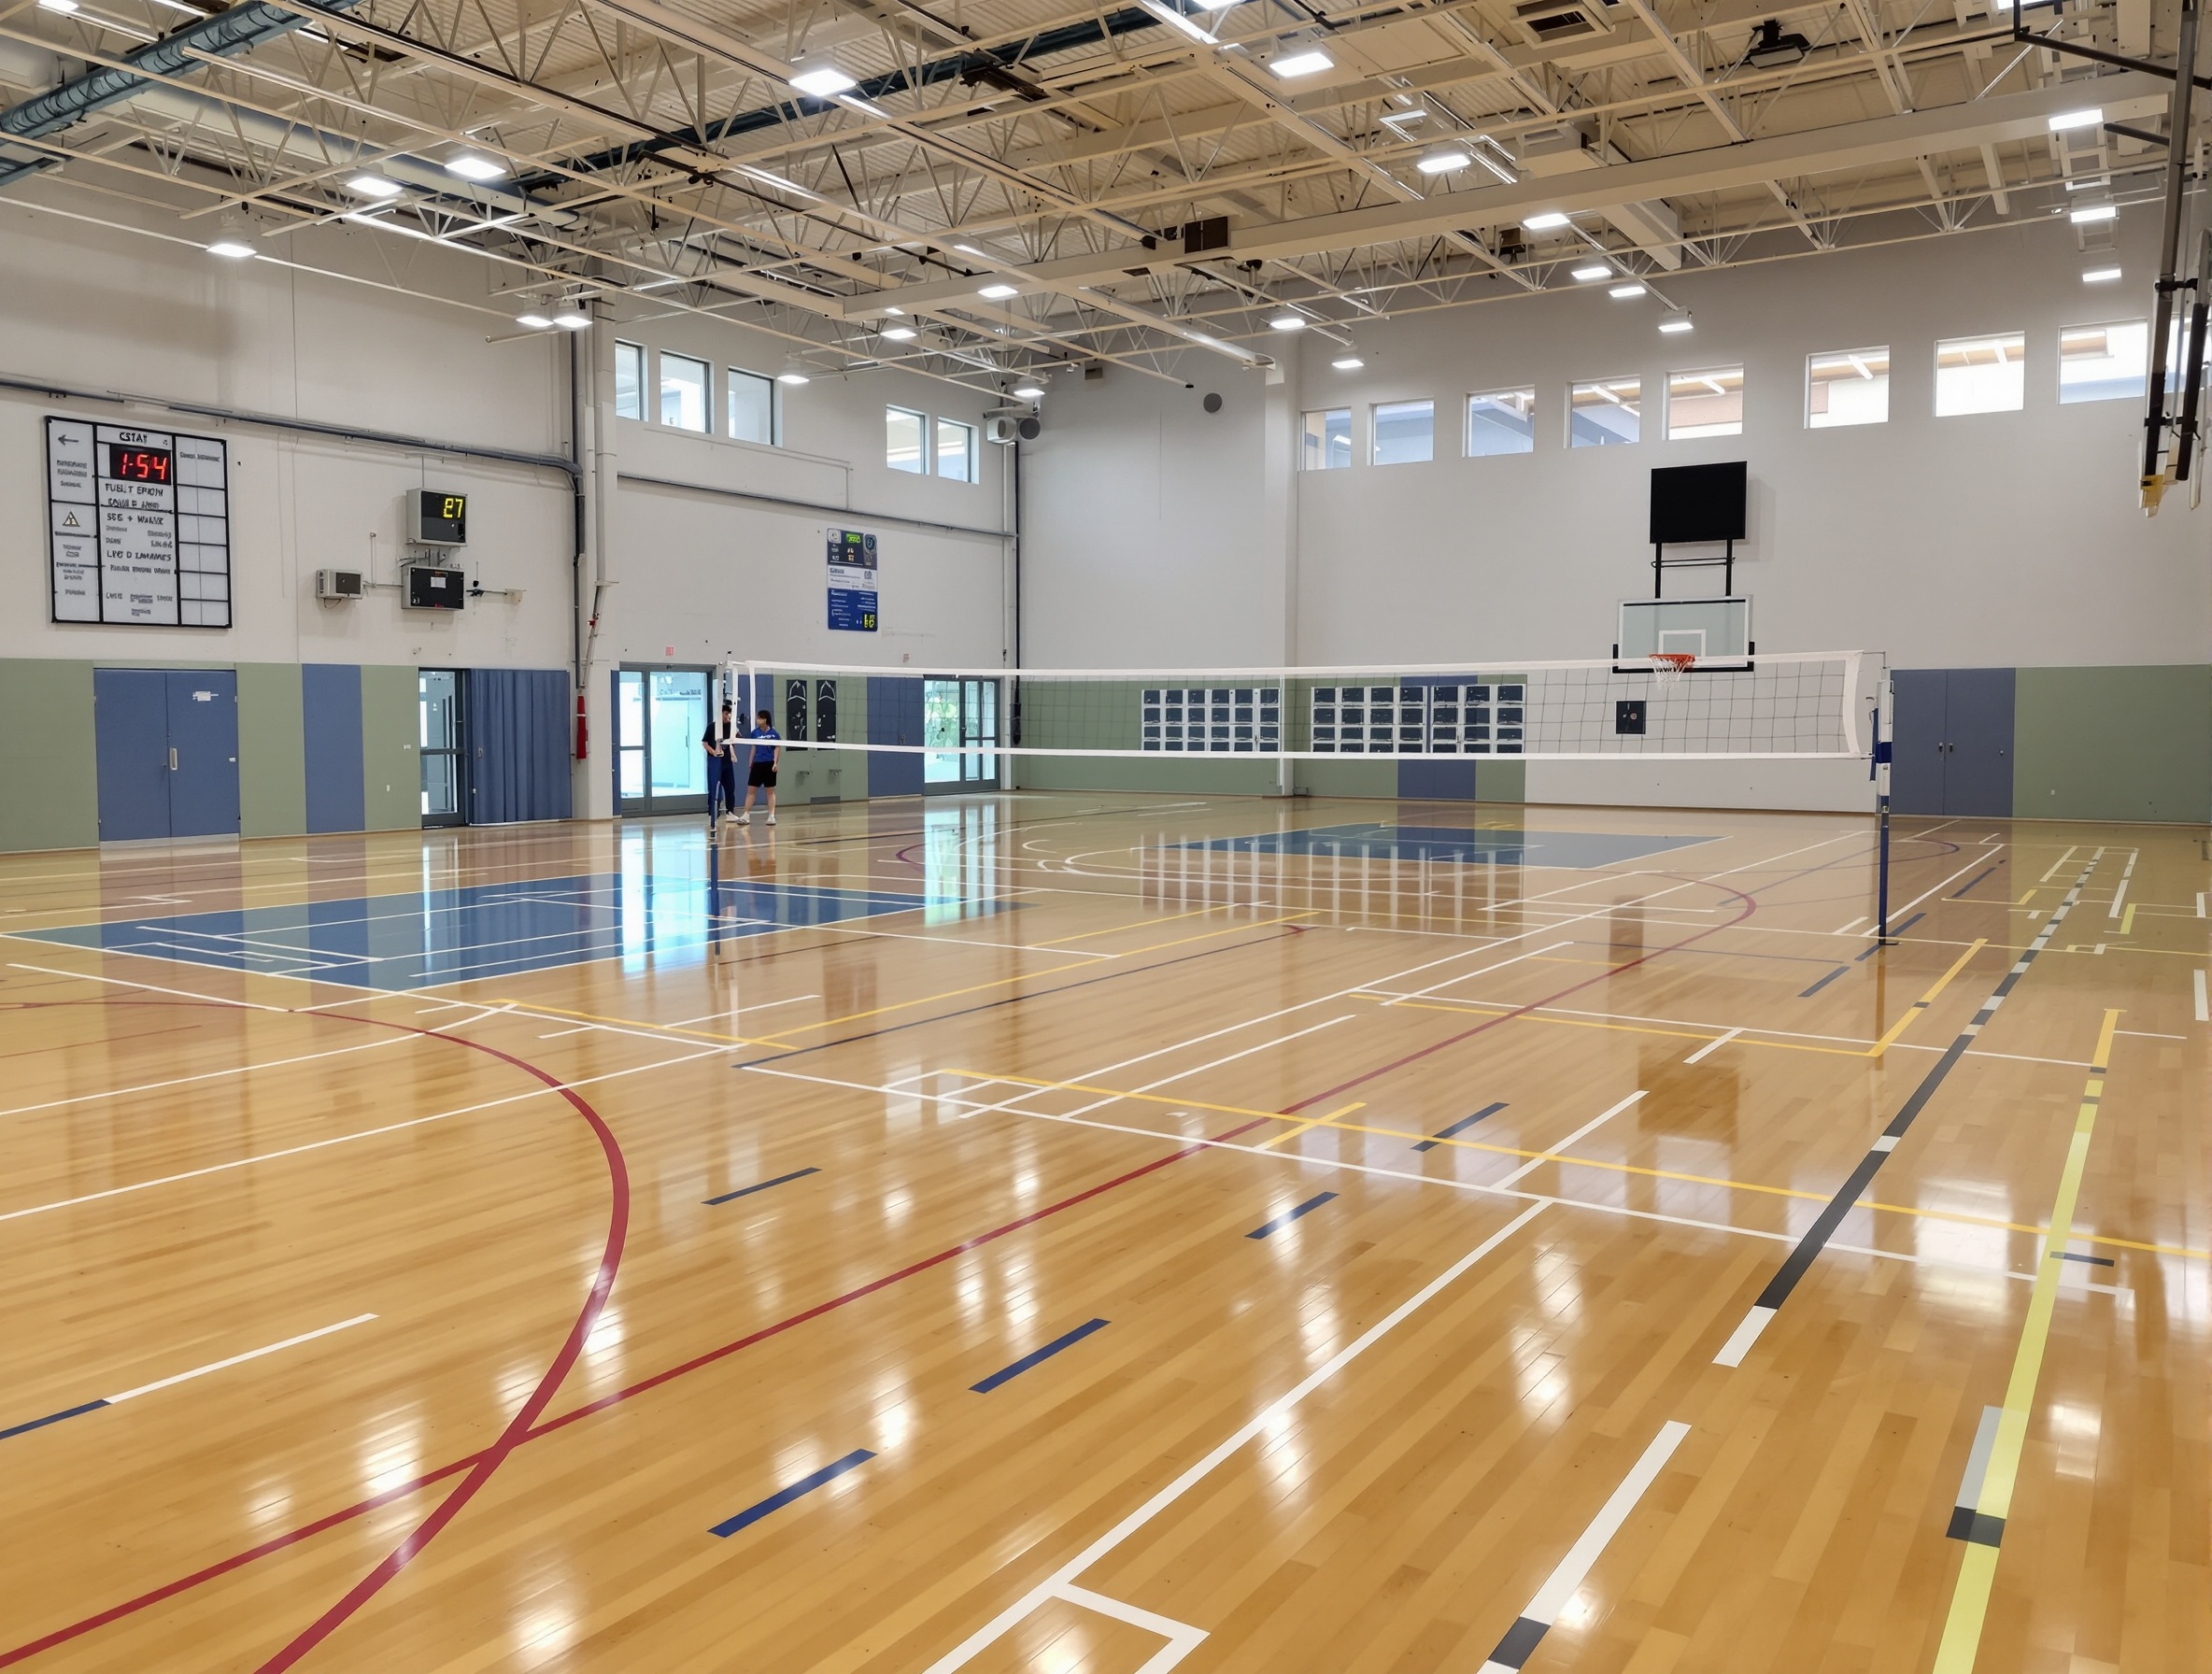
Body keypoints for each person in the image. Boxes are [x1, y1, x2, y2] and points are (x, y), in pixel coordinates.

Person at [735, 707, 781, 826]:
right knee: (751, 790)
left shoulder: (774, 734)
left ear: (765, 719)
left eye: (759, 718)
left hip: (769, 763)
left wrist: (775, 763)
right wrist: (751, 761)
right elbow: (754, 747)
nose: (757, 720)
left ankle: (771, 816)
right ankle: (746, 815)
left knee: (769, 790)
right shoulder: (755, 732)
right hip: (758, 763)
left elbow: (777, 748)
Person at [702, 700, 738, 827]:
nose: (727, 716)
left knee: (730, 787)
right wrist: (713, 752)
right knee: (714, 788)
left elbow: (735, 740)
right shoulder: (712, 726)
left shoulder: (731, 726)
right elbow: (704, 742)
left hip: (727, 761)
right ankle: (713, 814)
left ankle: (730, 812)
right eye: (726, 714)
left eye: (729, 714)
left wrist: (733, 753)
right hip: (715, 761)